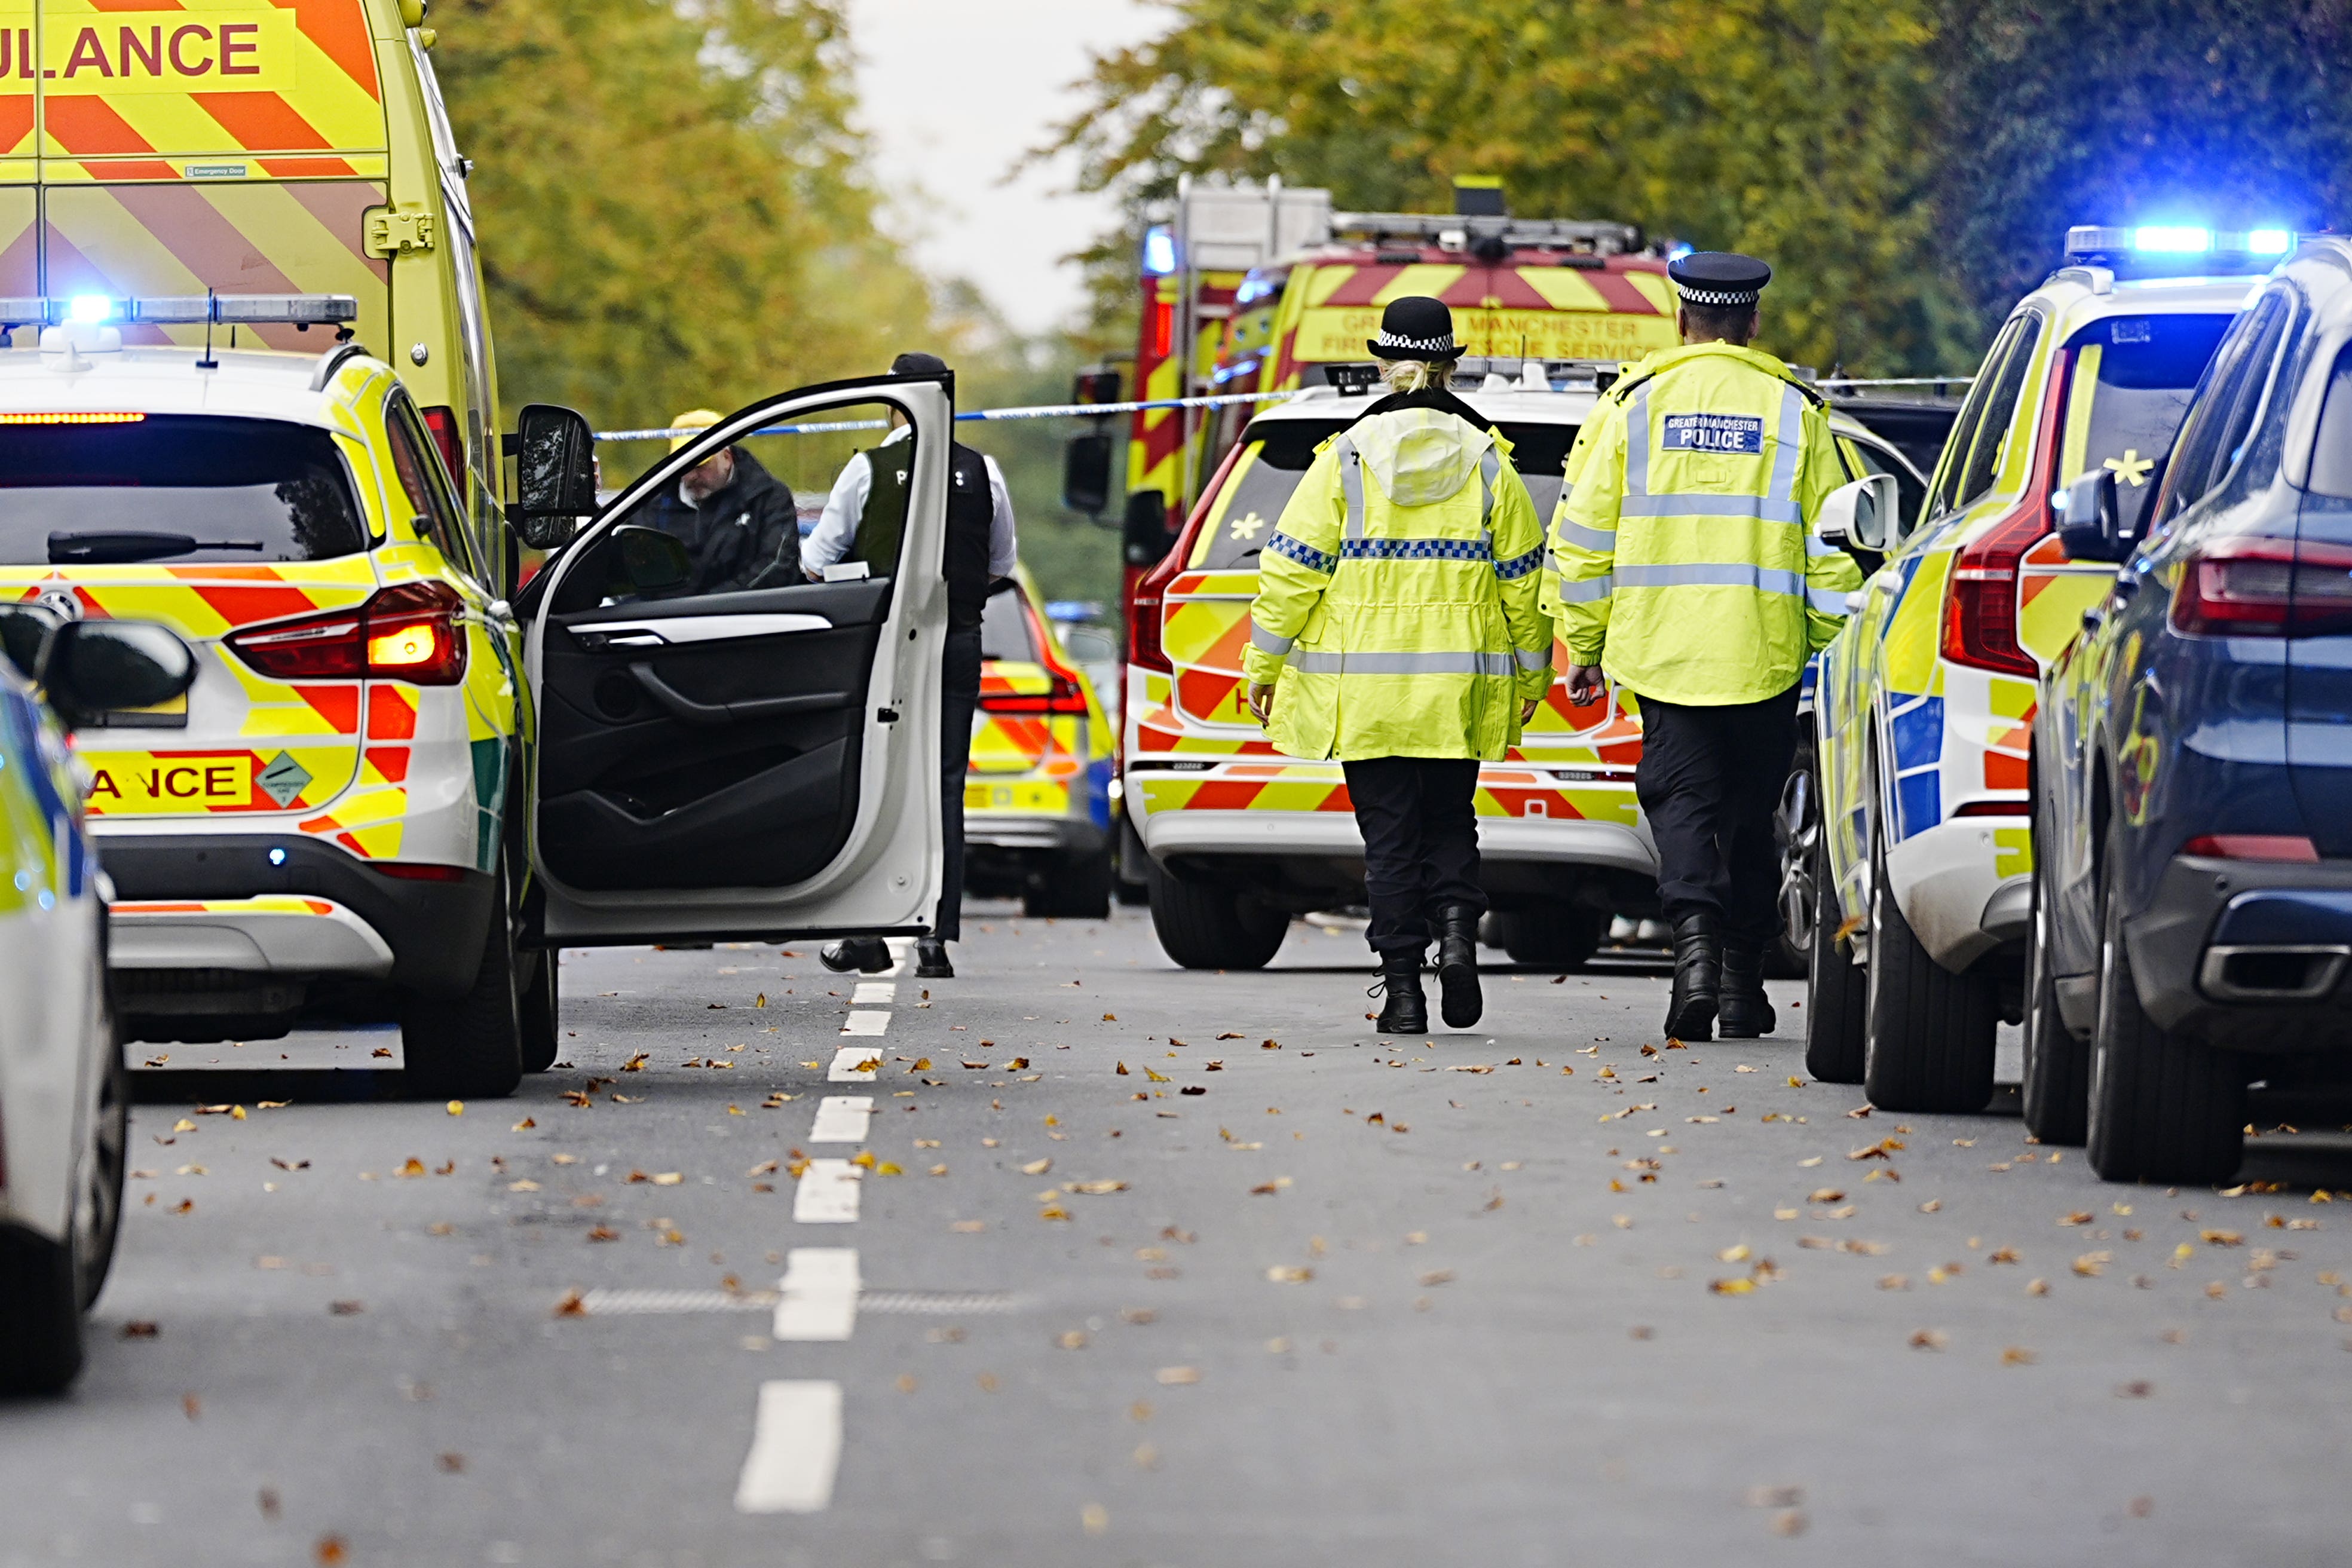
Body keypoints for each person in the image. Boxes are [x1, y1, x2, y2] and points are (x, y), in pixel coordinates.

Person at [1546, 253, 1863, 1042]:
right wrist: (1823, 642)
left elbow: (1583, 541)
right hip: (1762, 655)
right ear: (1752, 322)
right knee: (1751, 819)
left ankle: (1692, 955)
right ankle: (1740, 984)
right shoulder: (1797, 410)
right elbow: (1833, 545)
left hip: (1665, 653)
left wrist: (1584, 642)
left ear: (1681, 319)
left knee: (1682, 803)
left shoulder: (1634, 406)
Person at [1242, 297, 1555, 1034]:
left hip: (1367, 694)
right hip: (1457, 691)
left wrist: (1263, 665)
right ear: (1452, 365)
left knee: (1389, 842)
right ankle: (1457, 939)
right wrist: (1532, 677)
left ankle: (1404, 990)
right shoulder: (1489, 463)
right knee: (1450, 823)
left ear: (1384, 363)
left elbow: (1292, 572)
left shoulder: (1342, 460)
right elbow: (1525, 582)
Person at [814, 351, 1015, 981]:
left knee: (877, 775)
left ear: (892, 402)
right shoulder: (983, 470)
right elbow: (1000, 563)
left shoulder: (867, 468)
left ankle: (868, 930)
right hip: (957, 637)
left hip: (886, 647)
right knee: (945, 783)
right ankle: (935, 937)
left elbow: (818, 561)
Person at [662, 409, 804, 595]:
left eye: (700, 466)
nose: (690, 476)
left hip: (744, 615)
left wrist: (712, 604)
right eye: (682, 467)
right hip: (666, 617)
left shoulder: (769, 498)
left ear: (727, 458)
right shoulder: (653, 501)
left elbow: (778, 566)